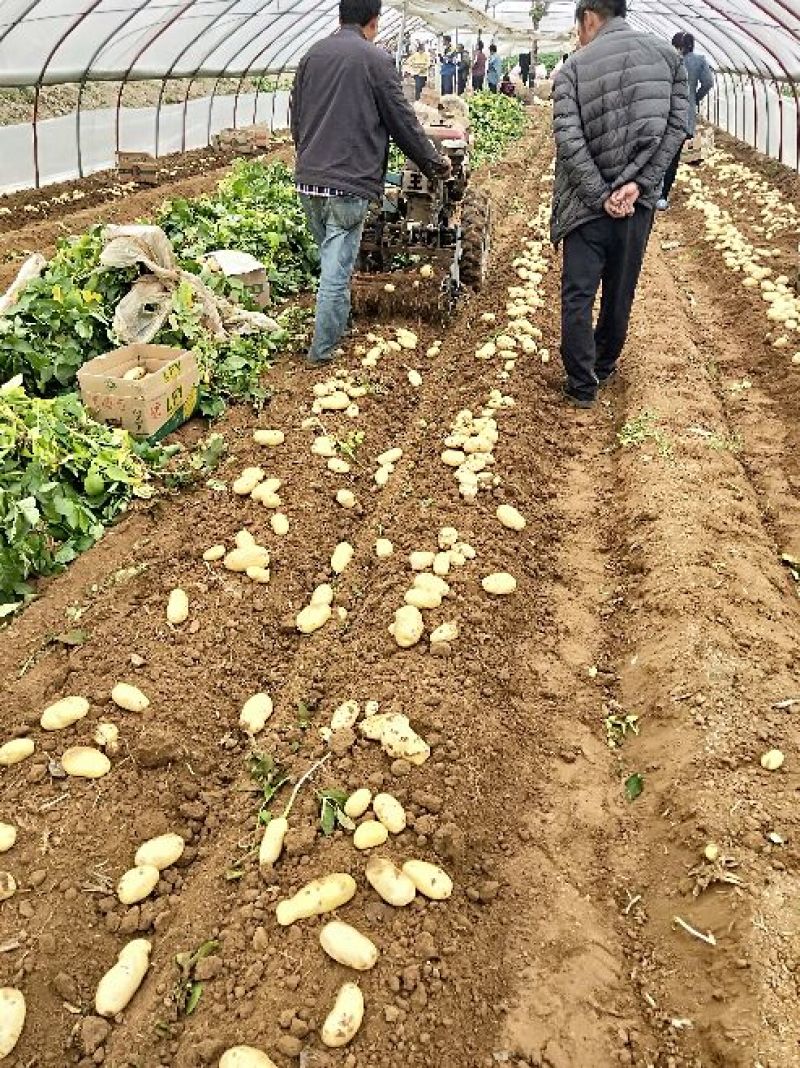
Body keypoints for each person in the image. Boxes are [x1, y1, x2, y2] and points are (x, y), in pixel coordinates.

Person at [291, 0, 451, 367]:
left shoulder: (312, 55)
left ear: (340, 16)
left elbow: (296, 116)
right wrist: (434, 165)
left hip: (310, 182)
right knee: (337, 268)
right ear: (374, 22)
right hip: (349, 185)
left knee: (332, 260)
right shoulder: (376, 61)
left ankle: (337, 324)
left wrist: (308, 159)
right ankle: (323, 351)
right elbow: (402, 122)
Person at [551, 0, 689, 407]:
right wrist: (640, 184)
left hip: (584, 207)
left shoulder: (572, 70)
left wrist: (598, 193)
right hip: (636, 206)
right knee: (619, 287)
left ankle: (581, 385)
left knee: (578, 292)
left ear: (589, 18)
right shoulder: (669, 59)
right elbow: (676, 127)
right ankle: (605, 364)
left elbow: (569, 139)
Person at [657, 31, 714, 209]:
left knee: (657, 154)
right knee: (672, 157)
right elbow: (708, 82)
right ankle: (662, 196)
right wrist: (695, 98)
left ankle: (651, 191)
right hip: (683, 117)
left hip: (662, 113)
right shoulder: (699, 61)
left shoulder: (666, 59)